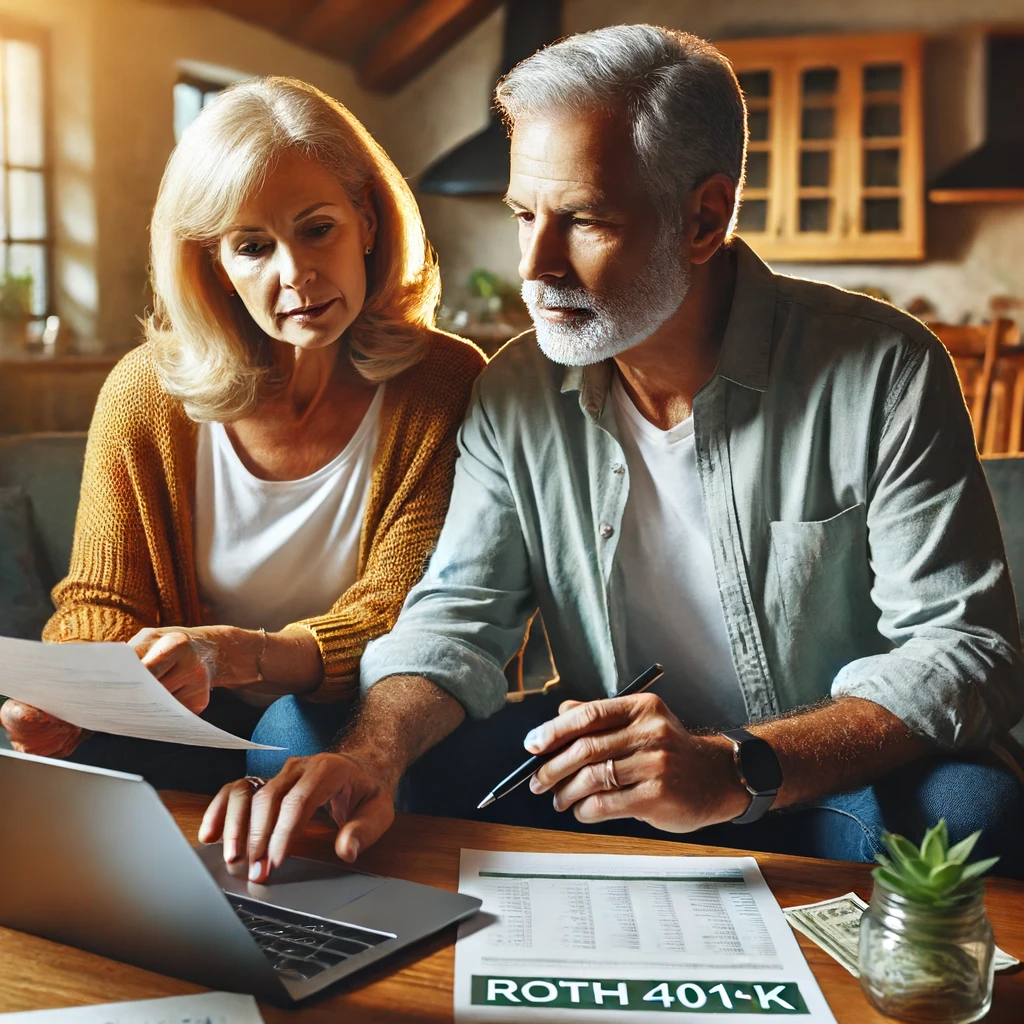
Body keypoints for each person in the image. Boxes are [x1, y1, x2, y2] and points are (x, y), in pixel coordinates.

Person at [198, 27, 1024, 882]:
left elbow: (966, 649)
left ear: (703, 217)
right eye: (524, 214)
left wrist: (733, 766)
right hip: (602, 779)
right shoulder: (515, 390)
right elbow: (457, 619)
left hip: (806, 781)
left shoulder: (882, 368)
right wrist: (373, 756)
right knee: (304, 744)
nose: (536, 264)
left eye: (585, 218)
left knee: (974, 812)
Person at [0, 77, 484, 793]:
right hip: (185, 718)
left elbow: (402, 617)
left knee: (285, 736)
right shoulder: (144, 392)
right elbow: (105, 602)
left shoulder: (444, 382)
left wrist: (238, 654)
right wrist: (68, 705)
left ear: (369, 222)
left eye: (318, 229)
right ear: (217, 268)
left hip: (353, 711)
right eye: (254, 246)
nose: (296, 275)